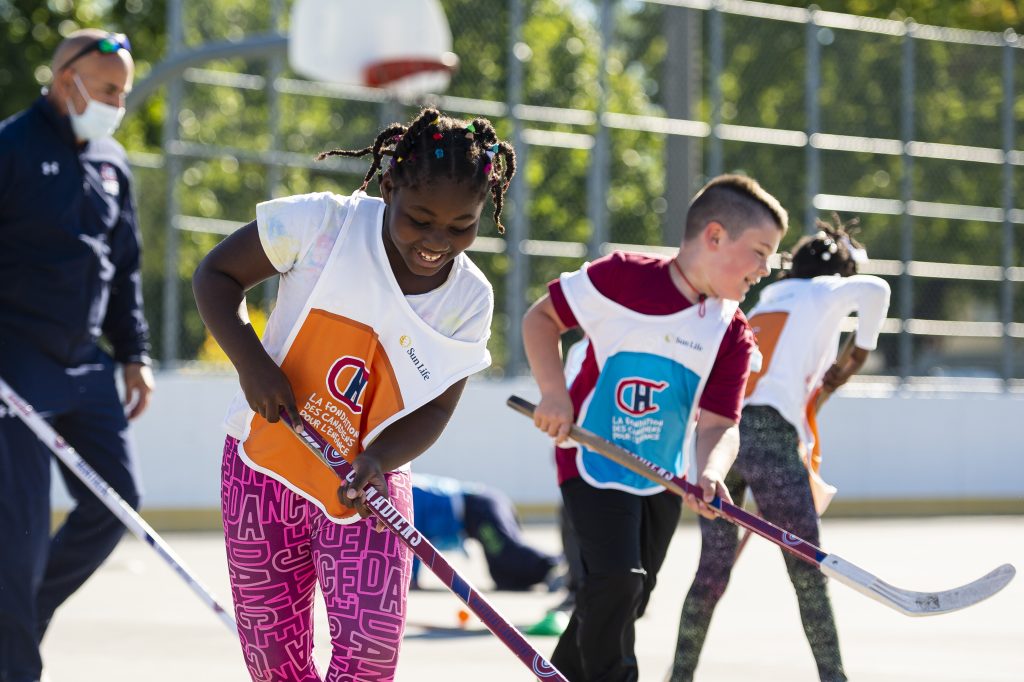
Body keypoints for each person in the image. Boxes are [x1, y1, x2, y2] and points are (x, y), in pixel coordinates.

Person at [192, 107, 516, 681]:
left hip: (366, 486)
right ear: (388, 185)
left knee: (369, 654)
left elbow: (438, 406)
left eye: (461, 227)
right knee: (275, 661)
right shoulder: (323, 225)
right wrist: (253, 365)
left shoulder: (470, 298)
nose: (437, 242)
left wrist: (380, 460)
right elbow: (215, 276)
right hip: (261, 468)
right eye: (420, 219)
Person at [523, 174, 788, 681]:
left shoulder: (730, 331)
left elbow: (719, 424)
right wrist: (554, 394)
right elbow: (541, 320)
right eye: (759, 251)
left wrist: (710, 472)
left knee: (628, 600)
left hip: (662, 474)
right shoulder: (621, 277)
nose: (766, 268)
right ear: (714, 237)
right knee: (617, 583)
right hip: (591, 457)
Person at [669, 216, 891, 682]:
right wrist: (859, 355)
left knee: (710, 574)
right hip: (768, 433)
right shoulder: (826, 290)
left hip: (720, 432)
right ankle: (835, 678)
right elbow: (876, 292)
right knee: (808, 571)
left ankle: (679, 676)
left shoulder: (769, 296)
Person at [0, 29, 153, 682]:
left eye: (124, 90)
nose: (120, 102)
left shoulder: (112, 163)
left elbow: (124, 271)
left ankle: (17, 622)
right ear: (68, 82)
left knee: (117, 502)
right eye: (110, 90)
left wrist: (134, 355)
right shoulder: (9, 148)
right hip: (16, 360)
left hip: (85, 363)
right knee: (20, 538)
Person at [410, 473, 559, 591]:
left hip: (479, 507)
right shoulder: (408, 485)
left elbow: (410, 538)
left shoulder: (407, 492)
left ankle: (556, 566)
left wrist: (410, 578)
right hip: (478, 509)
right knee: (503, 577)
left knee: (506, 552)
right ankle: (546, 574)